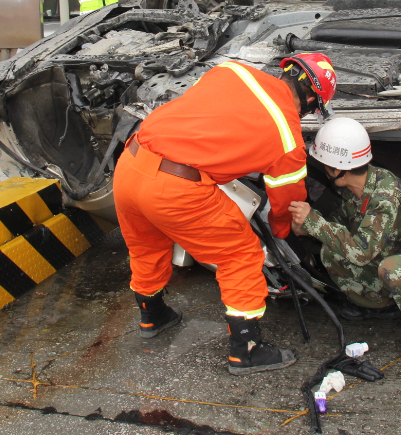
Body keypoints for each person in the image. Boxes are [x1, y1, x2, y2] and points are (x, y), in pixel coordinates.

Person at [113, 53, 337, 375]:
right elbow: (285, 202)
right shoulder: (288, 138)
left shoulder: (233, 70)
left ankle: (153, 316)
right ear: (312, 98)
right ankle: (246, 350)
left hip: (131, 164)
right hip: (175, 188)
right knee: (241, 255)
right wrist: (286, 231)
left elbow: (211, 118)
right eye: (314, 109)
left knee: (147, 246)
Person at [287, 117, 401, 362]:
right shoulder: (357, 188)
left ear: (338, 170)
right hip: (394, 256)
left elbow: (362, 252)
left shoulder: (385, 196)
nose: (325, 169)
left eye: (326, 165)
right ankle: (379, 305)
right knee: (332, 251)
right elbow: (343, 225)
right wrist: (308, 229)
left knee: (394, 269)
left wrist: (314, 223)